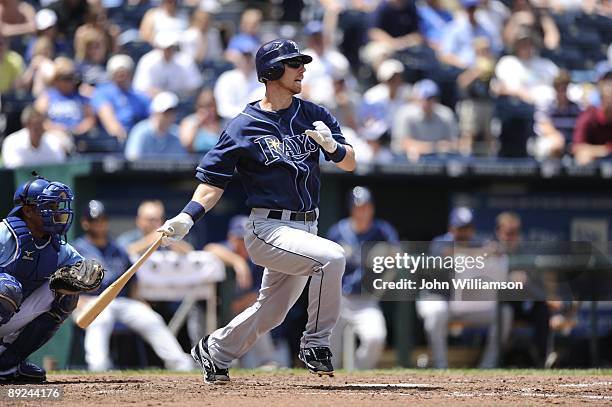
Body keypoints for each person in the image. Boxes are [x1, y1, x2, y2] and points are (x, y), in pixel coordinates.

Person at [158, 39, 356, 383]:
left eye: (301, 64)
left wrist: (333, 147)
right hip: (269, 229)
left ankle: (215, 351)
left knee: (273, 312)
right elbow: (211, 184)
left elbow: (351, 162)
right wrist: (186, 217)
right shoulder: (242, 125)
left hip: (307, 228)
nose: (302, 70)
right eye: (294, 64)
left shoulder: (313, 113)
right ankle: (315, 342)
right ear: (271, 71)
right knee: (333, 258)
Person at [0, 176, 102, 382]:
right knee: (7, 289)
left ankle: (7, 364)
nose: (57, 212)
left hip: (10, 318)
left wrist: (89, 274)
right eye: (50, 206)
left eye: (57, 206)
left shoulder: (57, 246)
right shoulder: (4, 234)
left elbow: (84, 272)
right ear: (28, 210)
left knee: (66, 295)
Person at [72, 200, 194, 372]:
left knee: (151, 318)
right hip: (92, 301)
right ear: (86, 223)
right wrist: (76, 301)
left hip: (120, 301)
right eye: (94, 221)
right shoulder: (77, 249)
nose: (99, 224)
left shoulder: (116, 248)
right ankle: (98, 367)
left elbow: (131, 279)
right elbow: (68, 282)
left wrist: (139, 300)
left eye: (102, 220)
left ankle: (181, 364)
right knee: (102, 319)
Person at [416, 206, 512, 368]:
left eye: (467, 228)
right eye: (460, 228)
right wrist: (481, 253)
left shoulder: (478, 243)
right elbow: (446, 253)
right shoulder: (440, 242)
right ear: (451, 228)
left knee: (504, 313)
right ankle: (440, 366)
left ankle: (488, 366)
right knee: (436, 313)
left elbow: (497, 252)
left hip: (465, 305)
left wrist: (492, 250)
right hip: (439, 300)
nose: (463, 232)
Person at [327, 186, 398, 369]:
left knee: (375, 337)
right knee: (327, 351)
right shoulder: (338, 231)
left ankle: (357, 374)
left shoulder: (382, 231)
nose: (363, 211)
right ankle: (327, 384)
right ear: (351, 209)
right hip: (338, 299)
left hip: (366, 300)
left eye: (366, 207)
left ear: (372, 208)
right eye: (358, 207)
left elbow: (397, 256)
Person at [203, 215, 278, 368]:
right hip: (211, 309)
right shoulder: (226, 250)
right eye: (240, 239)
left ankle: (266, 361)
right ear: (231, 237)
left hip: (238, 309)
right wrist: (238, 262)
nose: (244, 244)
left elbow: (264, 290)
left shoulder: (258, 257)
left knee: (257, 311)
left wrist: (241, 302)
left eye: (247, 239)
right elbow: (209, 248)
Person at [392, 79, 459, 161]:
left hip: (438, 159)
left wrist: (439, 147)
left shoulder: (445, 114)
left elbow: (453, 143)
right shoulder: (405, 114)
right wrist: (434, 147)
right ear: (416, 98)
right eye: (424, 98)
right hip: (405, 159)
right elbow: (404, 144)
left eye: (431, 98)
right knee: (412, 154)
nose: (427, 102)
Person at [90, 54, 150, 144]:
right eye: (118, 74)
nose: (122, 77)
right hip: (113, 141)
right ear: (112, 75)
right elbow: (109, 120)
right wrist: (121, 134)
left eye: (125, 74)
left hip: (137, 139)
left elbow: (153, 119)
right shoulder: (102, 92)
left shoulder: (139, 95)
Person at [133, 31, 202, 98]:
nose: (168, 51)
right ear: (157, 47)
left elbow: (194, 86)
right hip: (153, 100)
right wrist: (164, 96)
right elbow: (141, 88)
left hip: (180, 101)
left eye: (171, 48)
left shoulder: (185, 61)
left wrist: (177, 96)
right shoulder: (147, 61)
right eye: (164, 48)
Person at [117, 200, 192, 257]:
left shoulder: (166, 237)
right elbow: (122, 254)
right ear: (139, 220)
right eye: (151, 220)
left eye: (159, 219)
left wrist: (172, 240)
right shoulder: (128, 238)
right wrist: (153, 238)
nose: (156, 223)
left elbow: (190, 253)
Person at [125, 91, 187, 161]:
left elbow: (181, 161)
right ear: (155, 113)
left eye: (172, 112)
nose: (169, 116)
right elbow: (133, 160)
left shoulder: (176, 134)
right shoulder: (140, 132)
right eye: (165, 113)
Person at [213, 36, 263, 121]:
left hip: (257, 122)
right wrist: (246, 116)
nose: (246, 60)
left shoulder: (263, 79)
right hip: (231, 123)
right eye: (244, 56)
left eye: (249, 56)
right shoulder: (226, 78)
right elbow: (224, 109)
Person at [1, 105, 66, 169]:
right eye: (34, 125)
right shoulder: (12, 142)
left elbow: (60, 168)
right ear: (26, 125)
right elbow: (14, 171)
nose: (38, 128)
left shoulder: (53, 142)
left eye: (40, 124)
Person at [572, 80, 612, 165]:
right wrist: (606, 149)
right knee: (584, 157)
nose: (610, 103)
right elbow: (577, 148)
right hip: (594, 164)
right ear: (601, 99)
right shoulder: (589, 117)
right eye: (608, 98)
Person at [179, 88, 221, 154]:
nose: (208, 111)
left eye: (211, 107)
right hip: (195, 162)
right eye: (204, 107)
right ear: (198, 108)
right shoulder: (190, 122)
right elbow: (186, 146)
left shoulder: (223, 124)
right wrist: (197, 125)